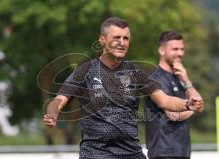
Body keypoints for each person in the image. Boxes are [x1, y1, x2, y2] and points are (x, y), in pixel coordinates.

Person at [43, 17, 203, 159]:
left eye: (126, 38)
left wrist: (187, 104)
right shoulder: (85, 71)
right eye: (116, 37)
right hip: (96, 154)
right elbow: (59, 99)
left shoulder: (136, 73)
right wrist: (52, 113)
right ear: (102, 40)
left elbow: (165, 100)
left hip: (131, 153)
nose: (122, 42)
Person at [143, 31, 203, 159]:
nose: (180, 53)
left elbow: (200, 103)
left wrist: (186, 80)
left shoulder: (180, 77)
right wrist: (193, 107)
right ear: (161, 50)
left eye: (182, 49)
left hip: (182, 152)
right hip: (163, 152)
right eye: (175, 49)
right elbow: (174, 115)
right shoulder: (156, 78)